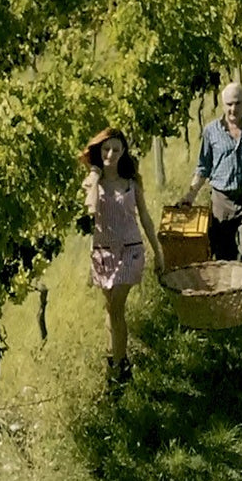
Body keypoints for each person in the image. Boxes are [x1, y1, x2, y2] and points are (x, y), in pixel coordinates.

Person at [81, 127, 162, 389]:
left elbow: (146, 219)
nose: (111, 154)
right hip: (103, 253)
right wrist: (93, 175)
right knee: (111, 310)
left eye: (116, 149)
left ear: (123, 151)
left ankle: (117, 368)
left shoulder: (131, 183)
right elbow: (87, 206)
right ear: (99, 151)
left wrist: (159, 253)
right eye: (106, 149)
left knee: (116, 307)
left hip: (131, 250)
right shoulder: (93, 183)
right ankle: (118, 359)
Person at [180, 82, 242, 265]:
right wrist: (190, 195)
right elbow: (203, 167)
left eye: (238, 103)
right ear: (223, 106)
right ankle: (228, 292)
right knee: (223, 255)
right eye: (229, 104)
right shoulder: (211, 132)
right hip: (221, 202)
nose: (233, 108)